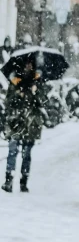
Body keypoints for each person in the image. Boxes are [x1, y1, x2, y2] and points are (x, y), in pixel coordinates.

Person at [1, 59, 47, 193]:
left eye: (30, 65)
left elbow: (43, 102)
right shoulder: (14, 82)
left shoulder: (38, 83)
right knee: (12, 151)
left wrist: (35, 92)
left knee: (26, 154)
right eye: (26, 64)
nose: (28, 67)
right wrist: (17, 94)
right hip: (15, 123)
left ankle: (23, 182)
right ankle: (8, 181)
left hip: (31, 124)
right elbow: (8, 102)